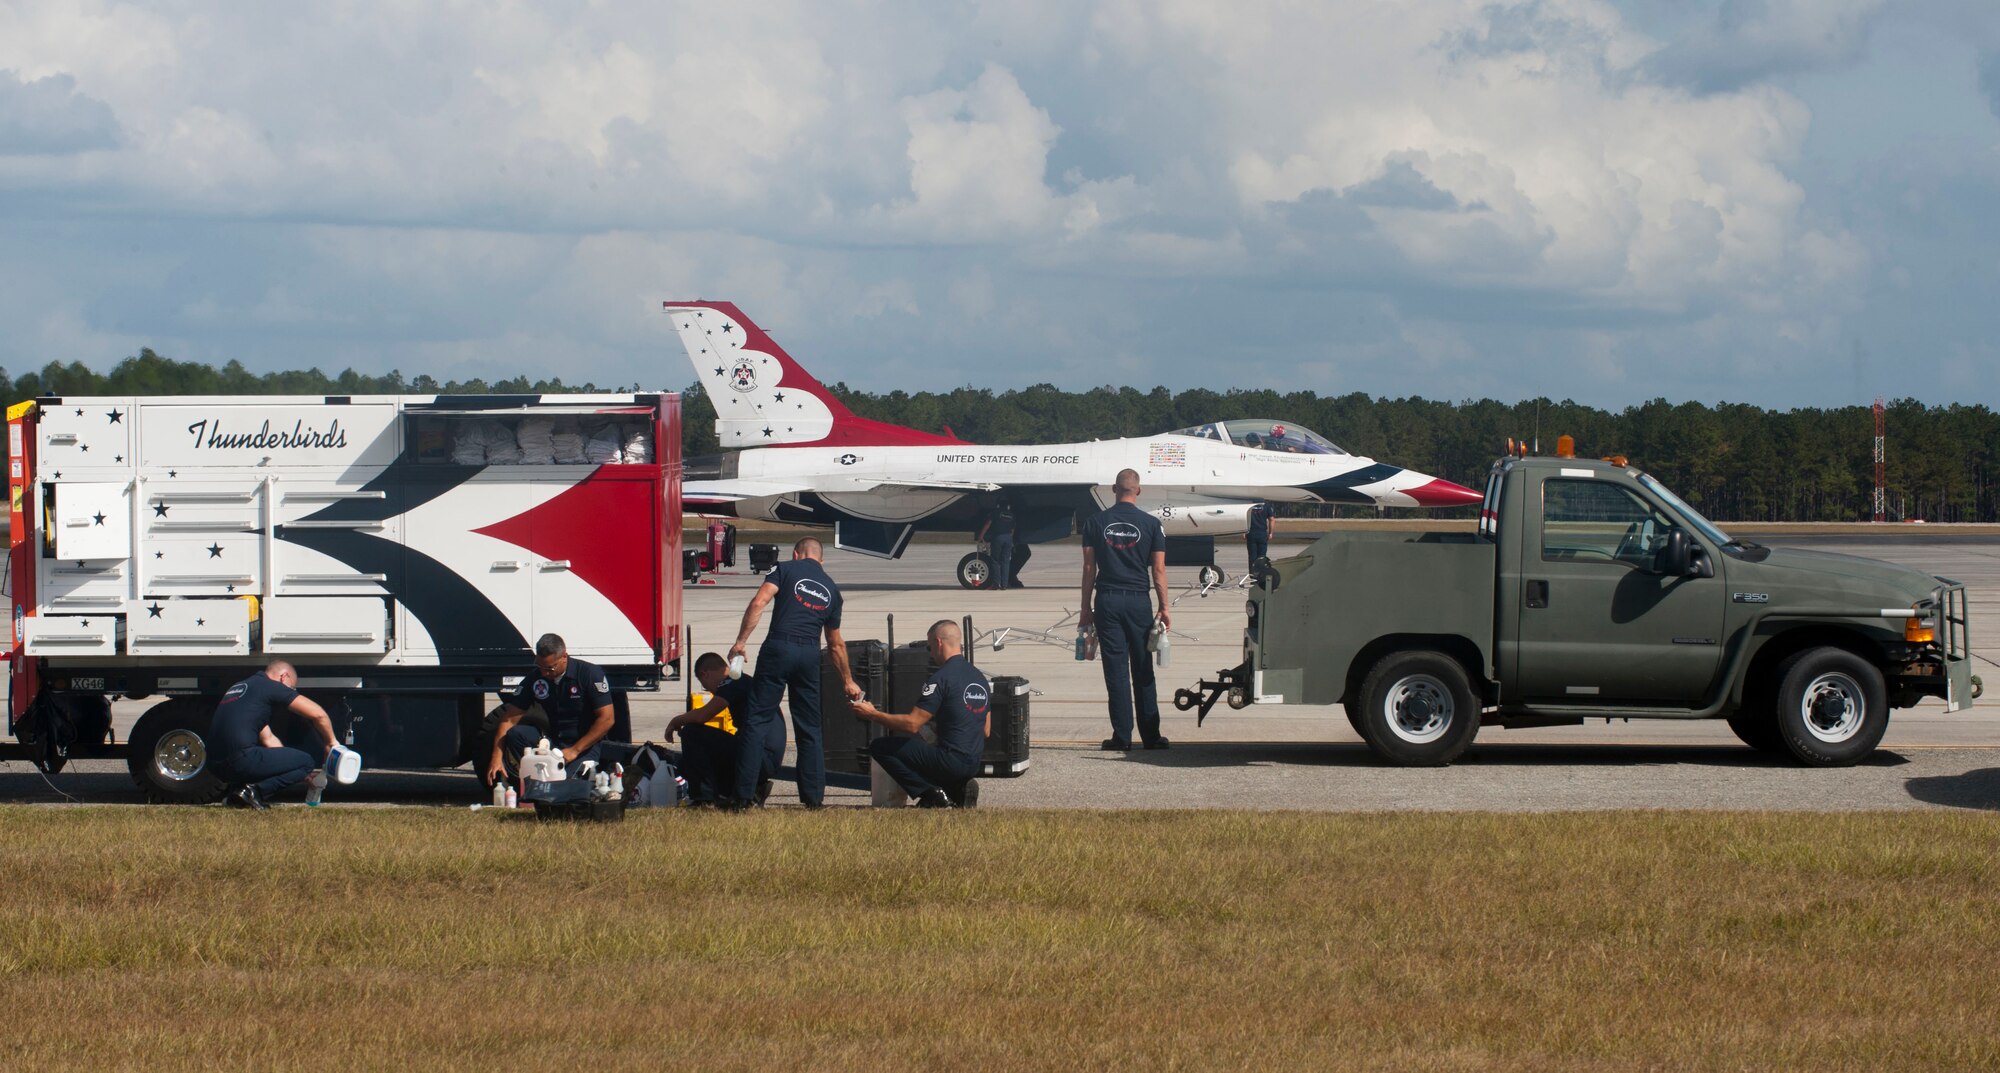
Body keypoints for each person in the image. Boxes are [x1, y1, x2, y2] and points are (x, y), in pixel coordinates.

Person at [729, 537, 861, 809]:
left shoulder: (784, 569)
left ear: (797, 554)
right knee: (809, 727)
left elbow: (759, 602)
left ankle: (743, 796)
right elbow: (836, 644)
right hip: (809, 654)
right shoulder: (833, 591)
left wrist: (741, 641)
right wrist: (848, 680)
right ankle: (813, 800)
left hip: (779, 646)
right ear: (821, 561)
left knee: (757, 721)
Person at [1080, 468, 1172, 751]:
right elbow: (1158, 569)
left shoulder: (1095, 522)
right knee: (1143, 668)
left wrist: (1085, 608)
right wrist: (1164, 606)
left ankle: (1122, 736)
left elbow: (1088, 568)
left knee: (1116, 670)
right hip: (1137, 601)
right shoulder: (1151, 524)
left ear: (1114, 489)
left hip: (1107, 598)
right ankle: (1151, 736)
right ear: (1139, 491)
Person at [851, 620, 988, 808]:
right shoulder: (979, 677)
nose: (931, 653)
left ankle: (930, 793)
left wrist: (873, 714)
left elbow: (912, 724)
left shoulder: (941, 678)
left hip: (949, 760)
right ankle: (957, 788)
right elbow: (986, 730)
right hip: (972, 762)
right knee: (926, 748)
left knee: (881, 747)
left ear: (939, 643)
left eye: (930, 647)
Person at [485, 633, 628, 787]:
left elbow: (607, 719)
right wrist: (496, 757)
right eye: (540, 667)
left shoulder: (589, 674)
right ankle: (535, 776)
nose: (545, 673)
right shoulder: (537, 678)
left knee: (563, 788)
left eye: (550, 668)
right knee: (516, 734)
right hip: (553, 742)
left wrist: (574, 750)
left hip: (584, 745)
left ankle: (572, 774)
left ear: (564, 657)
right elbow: (508, 719)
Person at [211, 660, 339, 810]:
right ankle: (253, 791)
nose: (292, 691)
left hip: (215, 765)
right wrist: (331, 742)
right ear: (284, 677)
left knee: (294, 764)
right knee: (307, 762)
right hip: (239, 759)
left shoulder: (243, 687)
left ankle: (236, 794)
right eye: (292, 688)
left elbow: (269, 739)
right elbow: (319, 715)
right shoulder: (270, 686)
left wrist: (297, 772)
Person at [667, 652, 781, 807]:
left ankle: (704, 798)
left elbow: (703, 715)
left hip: (759, 756)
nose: (710, 691)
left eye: (704, 685)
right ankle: (747, 790)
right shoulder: (743, 680)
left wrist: (676, 721)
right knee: (699, 754)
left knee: (692, 733)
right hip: (765, 756)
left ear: (705, 674)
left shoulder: (731, 682)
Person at [976, 495, 1018, 591]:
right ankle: (1004, 585)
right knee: (1006, 561)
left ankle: (996, 584)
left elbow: (987, 524)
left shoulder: (995, 512)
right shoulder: (1011, 515)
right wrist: (1011, 541)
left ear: (998, 505)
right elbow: (1013, 529)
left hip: (998, 537)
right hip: (1008, 538)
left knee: (995, 561)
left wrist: (981, 536)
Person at [1246, 500, 1272, 570]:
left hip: (1251, 532)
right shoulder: (1266, 504)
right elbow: (1271, 519)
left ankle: (1252, 576)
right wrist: (1270, 532)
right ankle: (1261, 575)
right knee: (1262, 557)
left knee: (1252, 557)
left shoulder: (1248, 503)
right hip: (1262, 533)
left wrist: (1244, 531)